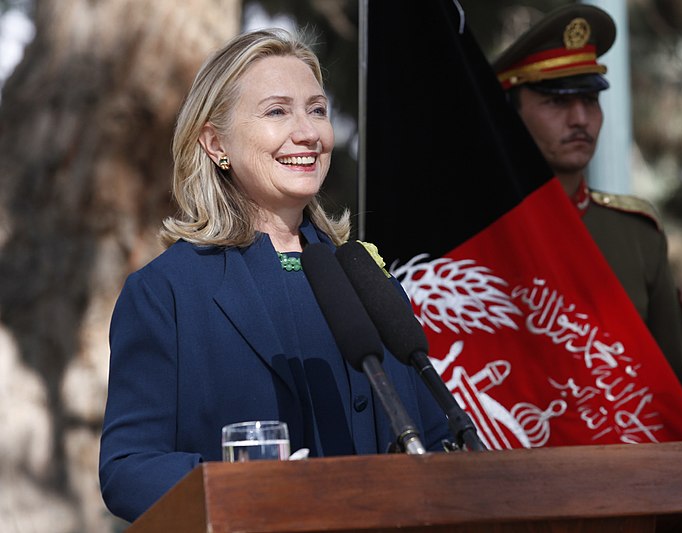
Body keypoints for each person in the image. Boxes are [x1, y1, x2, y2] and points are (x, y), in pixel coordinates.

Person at [99, 29, 449, 523]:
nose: (308, 133)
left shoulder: (366, 277)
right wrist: (253, 489)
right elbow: (129, 469)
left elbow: (434, 439)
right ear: (215, 142)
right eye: (277, 111)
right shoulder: (167, 292)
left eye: (318, 109)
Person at [493, 4, 682, 427]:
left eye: (590, 99)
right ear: (510, 112)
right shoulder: (475, 235)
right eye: (557, 101)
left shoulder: (635, 235)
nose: (580, 118)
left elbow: (676, 401)